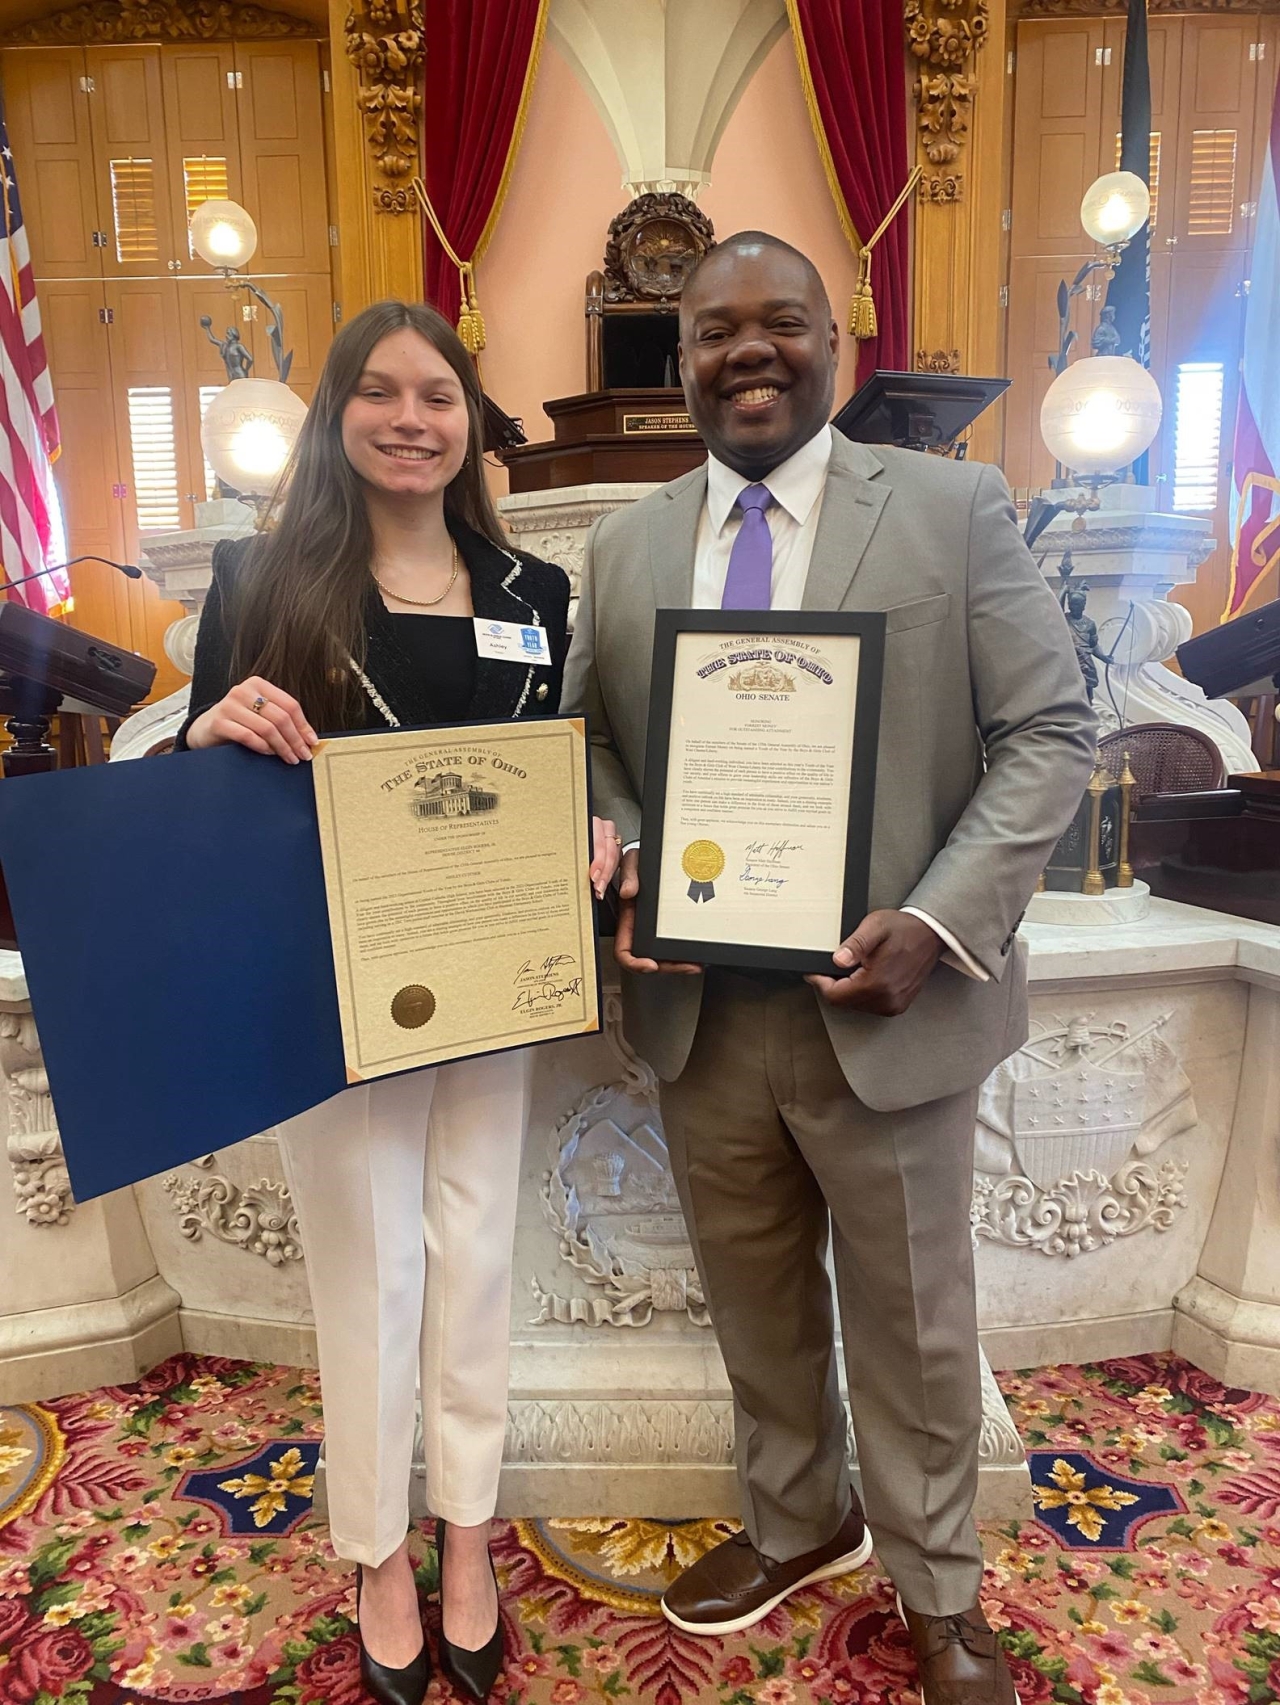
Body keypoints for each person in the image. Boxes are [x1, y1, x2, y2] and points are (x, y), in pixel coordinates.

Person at [562, 233, 1095, 1705]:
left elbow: (1050, 732)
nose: (748, 351)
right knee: (755, 1300)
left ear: (837, 343)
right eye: (714, 330)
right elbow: (592, 742)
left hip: (892, 996)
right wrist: (620, 843)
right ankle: (801, 1517)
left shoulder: (953, 507)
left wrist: (938, 920)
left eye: (780, 322)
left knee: (917, 1313)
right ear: (678, 363)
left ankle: (938, 1586)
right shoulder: (625, 542)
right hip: (701, 1005)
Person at [176, 299, 620, 1705]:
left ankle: (470, 1534)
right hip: (329, 984)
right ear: (338, 414)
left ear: (470, 416)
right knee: (369, 1273)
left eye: (438, 393)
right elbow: (202, 779)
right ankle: (376, 1550)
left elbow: (567, 769)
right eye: (380, 391)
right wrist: (210, 728)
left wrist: (593, 833)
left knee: (477, 1255)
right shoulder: (260, 580)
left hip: (490, 972)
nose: (411, 418)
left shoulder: (534, 592)